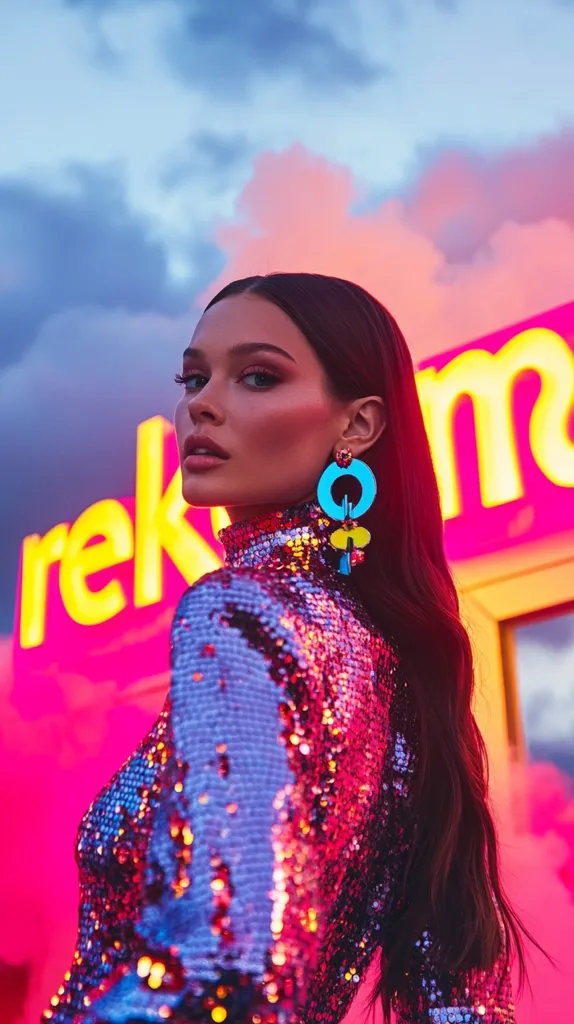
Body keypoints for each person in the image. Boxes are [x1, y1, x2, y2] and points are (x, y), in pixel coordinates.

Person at [43, 273, 534, 1024]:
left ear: (358, 426)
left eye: (258, 376)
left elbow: (224, 967)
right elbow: (454, 1004)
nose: (199, 404)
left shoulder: (237, 610)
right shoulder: (397, 662)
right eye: (194, 376)